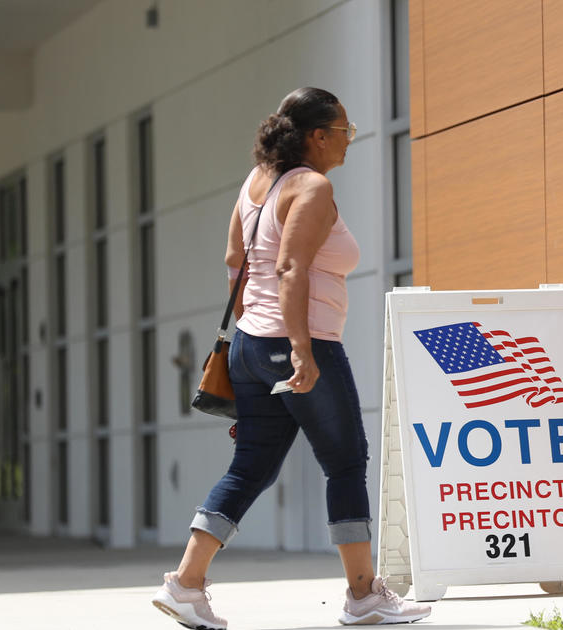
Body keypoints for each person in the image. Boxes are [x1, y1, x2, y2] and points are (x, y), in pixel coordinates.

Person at [151, 87, 432, 629]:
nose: (351, 140)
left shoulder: (256, 184)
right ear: (318, 136)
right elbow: (289, 268)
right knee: (346, 461)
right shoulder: (313, 187)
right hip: (301, 342)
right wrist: (301, 350)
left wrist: (262, 335)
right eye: (345, 130)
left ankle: (187, 584)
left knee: (251, 466)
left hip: (251, 345)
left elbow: (237, 260)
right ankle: (362, 595)